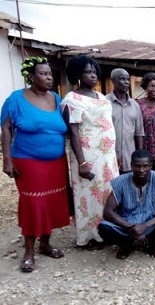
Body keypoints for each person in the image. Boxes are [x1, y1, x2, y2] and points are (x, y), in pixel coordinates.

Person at [1, 56, 70, 272]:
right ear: (31, 76)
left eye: (50, 74)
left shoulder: (57, 99)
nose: (49, 77)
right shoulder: (16, 99)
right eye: (43, 74)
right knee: (33, 203)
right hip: (28, 161)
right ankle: (29, 251)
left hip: (57, 161)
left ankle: (45, 243)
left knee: (51, 201)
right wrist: (7, 160)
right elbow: (6, 129)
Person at [61, 55, 119, 249]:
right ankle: (88, 237)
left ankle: (107, 231)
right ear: (77, 74)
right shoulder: (72, 100)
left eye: (94, 71)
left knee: (107, 193)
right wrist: (82, 163)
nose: (92, 75)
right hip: (88, 156)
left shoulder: (102, 97)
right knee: (88, 195)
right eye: (87, 71)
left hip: (107, 157)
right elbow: (74, 133)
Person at [98, 149, 155, 259]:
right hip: (127, 225)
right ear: (131, 165)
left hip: (151, 223)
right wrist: (131, 228)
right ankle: (127, 245)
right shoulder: (120, 182)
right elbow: (108, 212)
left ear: (151, 166)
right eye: (137, 166)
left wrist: (145, 226)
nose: (141, 170)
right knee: (104, 228)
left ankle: (150, 244)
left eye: (145, 166)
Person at [106, 68, 144, 174]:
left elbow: (139, 132)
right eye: (122, 79)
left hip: (129, 156)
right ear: (113, 80)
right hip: (109, 154)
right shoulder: (104, 102)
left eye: (128, 79)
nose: (126, 82)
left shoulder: (135, 105)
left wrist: (139, 154)